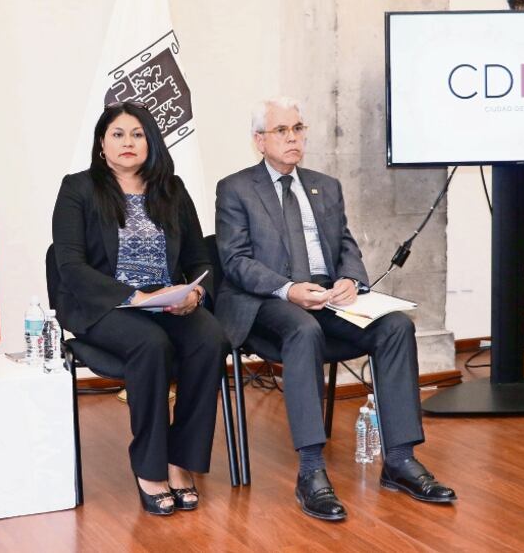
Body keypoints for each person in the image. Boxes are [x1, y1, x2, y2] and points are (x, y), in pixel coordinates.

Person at [214, 97, 456, 521]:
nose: (293, 138)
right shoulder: (235, 188)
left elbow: (345, 245)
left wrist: (351, 280)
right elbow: (234, 262)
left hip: (328, 299)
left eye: (298, 128)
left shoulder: (324, 186)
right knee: (303, 330)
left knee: (395, 326)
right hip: (268, 303)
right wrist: (289, 290)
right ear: (259, 140)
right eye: (281, 131)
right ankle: (310, 472)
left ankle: (399, 460)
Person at [51, 100, 228, 516]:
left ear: (151, 143)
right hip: (105, 303)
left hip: (165, 299)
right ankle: (149, 467)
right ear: (101, 144)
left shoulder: (172, 188)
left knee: (210, 339)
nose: (128, 142)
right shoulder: (77, 189)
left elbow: (200, 258)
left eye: (137, 134)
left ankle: (179, 459)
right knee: (151, 345)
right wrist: (134, 298)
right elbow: (70, 267)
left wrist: (195, 294)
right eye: (117, 134)